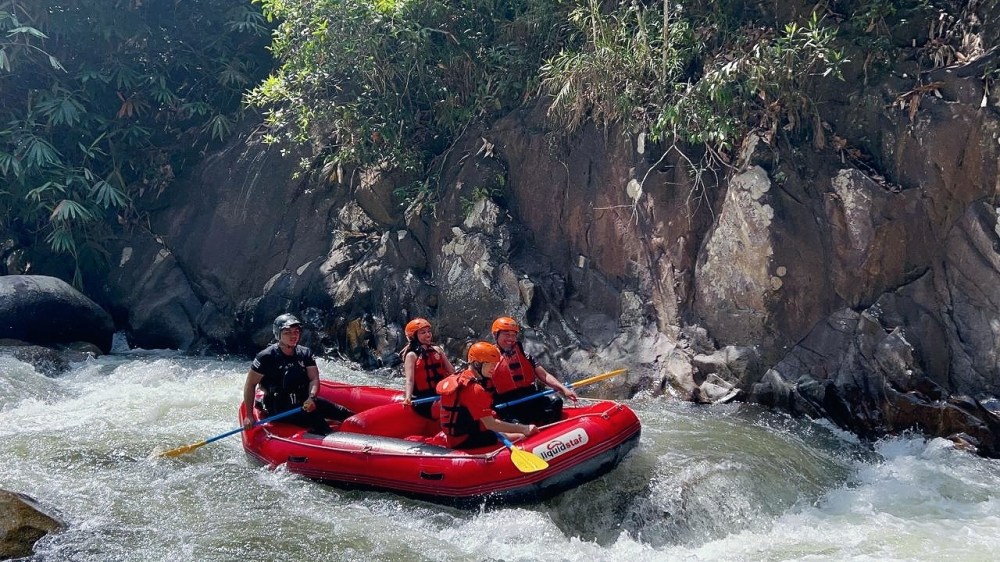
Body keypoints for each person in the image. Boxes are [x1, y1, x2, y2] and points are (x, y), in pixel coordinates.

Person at [242, 313, 352, 435]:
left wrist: (311, 398)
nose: (293, 335)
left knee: (344, 413)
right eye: (287, 332)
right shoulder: (266, 357)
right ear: (278, 335)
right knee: (318, 422)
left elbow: (314, 379)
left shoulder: (305, 353)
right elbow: (250, 384)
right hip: (279, 409)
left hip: (304, 402)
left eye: (296, 332)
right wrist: (249, 415)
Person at [433, 341, 538, 449]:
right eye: (491, 364)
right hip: (466, 440)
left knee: (509, 430)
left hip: (460, 435)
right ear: (477, 364)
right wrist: (524, 428)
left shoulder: (463, 376)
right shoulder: (474, 389)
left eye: (495, 364)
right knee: (521, 436)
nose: (494, 368)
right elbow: (491, 424)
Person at [488, 316, 577, 425]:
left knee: (556, 401)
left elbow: (544, 375)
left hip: (529, 396)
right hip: (508, 404)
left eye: (513, 335)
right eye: (506, 335)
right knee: (516, 424)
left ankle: (549, 432)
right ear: (495, 335)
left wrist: (563, 389)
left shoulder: (525, 355)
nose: (511, 339)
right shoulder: (488, 360)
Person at [399, 317, 456, 419]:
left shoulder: (437, 350)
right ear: (414, 336)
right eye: (423, 332)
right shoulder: (411, 356)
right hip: (422, 400)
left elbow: (452, 372)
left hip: (438, 395)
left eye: (429, 331)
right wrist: (408, 397)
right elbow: (410, 380)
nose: (428, 334)